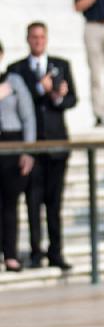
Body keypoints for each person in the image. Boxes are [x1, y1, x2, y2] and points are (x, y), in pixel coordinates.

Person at [9, 22, 77, 270]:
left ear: (46, 39)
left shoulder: (61, 65)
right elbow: (21, 103)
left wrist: (57, 95)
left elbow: (71, 99)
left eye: (41, 37)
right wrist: (42, 89)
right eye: (33, 37)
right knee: (32, 201)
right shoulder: (16, 69)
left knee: (54, 202)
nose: (38, 41)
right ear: (28, 39)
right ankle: (36, 251)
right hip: (32, 145)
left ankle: (55, 252)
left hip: (57, 143)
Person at [0, 41, 36, 272]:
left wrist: (28, 150)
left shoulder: (14, 81)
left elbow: (28, 116)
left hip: (12, 143)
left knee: (10, 203)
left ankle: (10, 254)